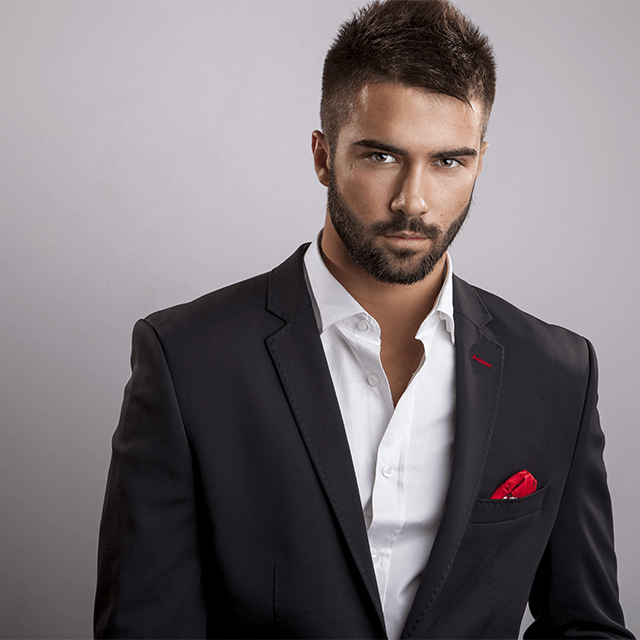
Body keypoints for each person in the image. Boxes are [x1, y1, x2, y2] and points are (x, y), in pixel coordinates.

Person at [94, 0, 634, 638]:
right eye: (381, 156)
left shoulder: (557, 373)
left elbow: (587, 626)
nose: (414, 201)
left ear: (479, 162)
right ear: (324, 156)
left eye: (448, 161)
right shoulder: (187, 361)